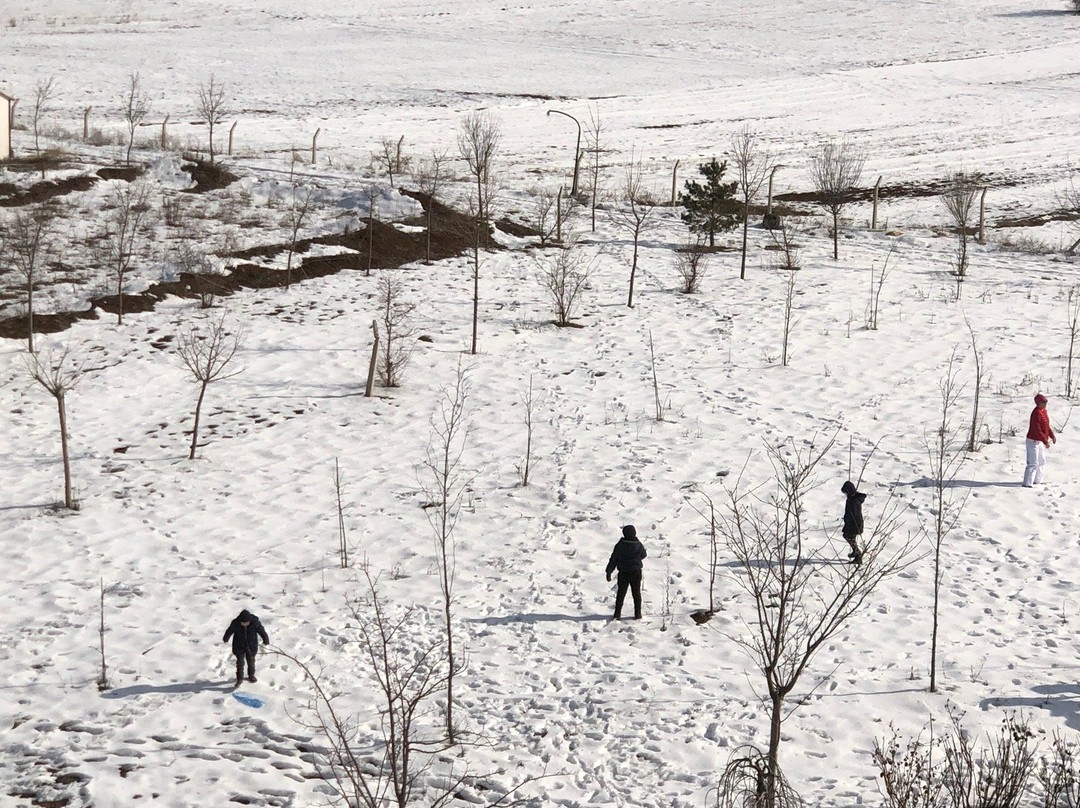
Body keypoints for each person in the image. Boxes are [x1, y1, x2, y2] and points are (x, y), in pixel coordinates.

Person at [605, 524, 647, 620]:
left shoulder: (620, 545)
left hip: (623, 572)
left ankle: (617, 614)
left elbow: (613, 559)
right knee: (636, 594)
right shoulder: (638, 544)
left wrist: (609, 571)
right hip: (636, 572)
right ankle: (638, 614)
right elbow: (644, 555)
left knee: (621, 593)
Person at [223, 609, 270, 687]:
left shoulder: (255, 623)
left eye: (246, 623)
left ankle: (251, 675)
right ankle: (239, 679)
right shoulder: (235, 623)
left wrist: (266, 640)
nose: (245, 624)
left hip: (251, 645)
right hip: (239, 645)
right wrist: (226, 638)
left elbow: (262, 631)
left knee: (251, 661)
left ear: (249, 621)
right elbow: (230, 630)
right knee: (240, 663)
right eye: (243, 623)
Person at [1023, 393, 1057, 487]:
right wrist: (1045, 441)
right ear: (1038, 403)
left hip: (1040, 441)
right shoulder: (1036, 413)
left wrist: (1052, 436)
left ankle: (1038, 481)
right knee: (1033, 463)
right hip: (1032, 441)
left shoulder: (1044, 411)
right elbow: (1037, 429)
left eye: (1046, 402)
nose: (1045, 404)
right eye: (1043, 402)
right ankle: (1027, 483)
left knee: (1042, 461)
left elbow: (1046, 426)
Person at [841, 481, 866, 565]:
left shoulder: (854, 500)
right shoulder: (851, 497)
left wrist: (848, 519)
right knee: (850, 537)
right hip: (851, 523)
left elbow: (854, 513)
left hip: (854, 523)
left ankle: (858, 555)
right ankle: (855, 551)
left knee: (848, 536)